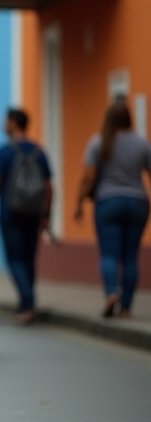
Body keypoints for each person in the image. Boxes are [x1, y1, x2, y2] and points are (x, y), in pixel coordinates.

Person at [74, 99, 151, 318]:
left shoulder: (98, 143)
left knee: (109, 253)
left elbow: (88, 178)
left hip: (107, 202)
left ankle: (111, 293)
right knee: (130, 256)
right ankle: (126, 307)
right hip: (137, 202)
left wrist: (79, 203)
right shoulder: (142, 144)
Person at [0, 109, 53, 324]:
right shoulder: (38, 151)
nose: (3, 124)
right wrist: (47, 213)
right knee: (28, 258)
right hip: (33, 212)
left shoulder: (5, 151)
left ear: (13, 123)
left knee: (14, 258)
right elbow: (49, 186)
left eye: (5, 121)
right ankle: (26, 302)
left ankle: (27, 302)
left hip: (10, 211)